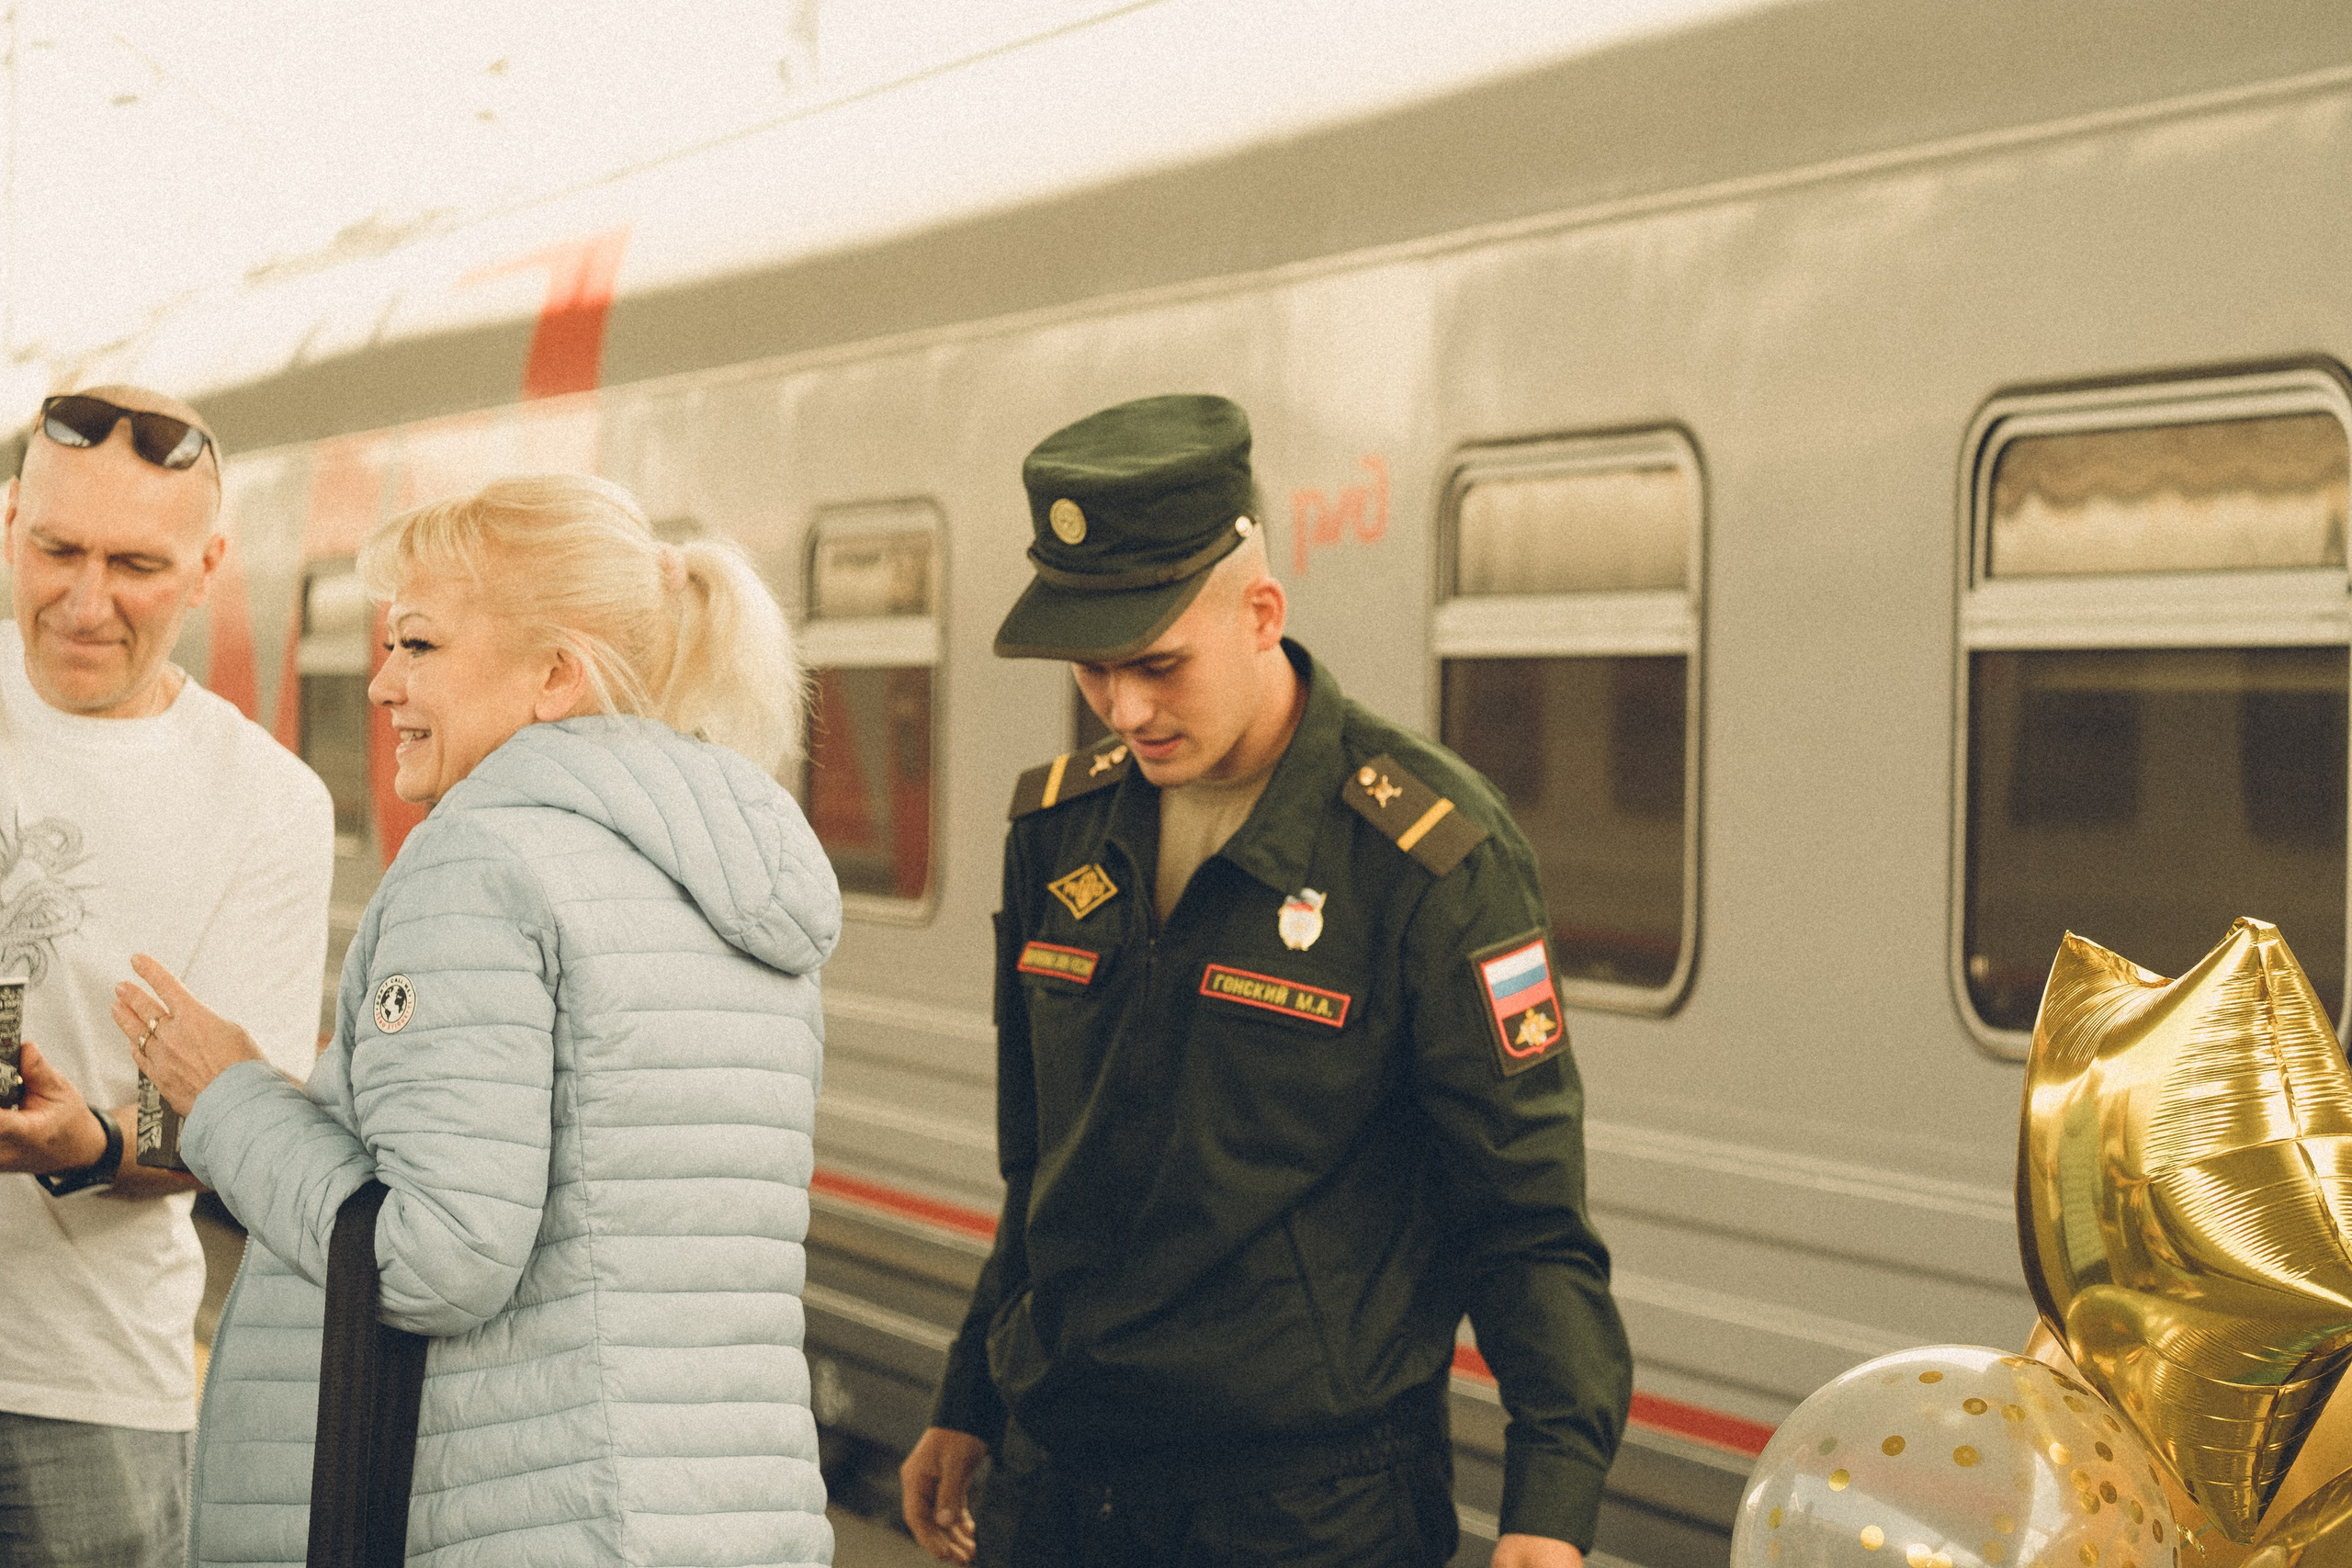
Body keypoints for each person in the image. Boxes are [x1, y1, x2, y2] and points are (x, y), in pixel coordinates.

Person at [900, 394, 1633, 1568]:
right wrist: (968, 1393)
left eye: (1157, 666)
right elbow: (1045, 1167)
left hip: (1303, 1511)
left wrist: (1551, 1512)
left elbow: (1525, 1218)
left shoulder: (1428, 858)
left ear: (1261, 613)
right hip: (1060, 1483)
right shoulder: (1060, 830)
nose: (1125, 710)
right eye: (1094, 671)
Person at [119, 474, 842, 1566]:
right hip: (733, 1521)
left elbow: (434, 1259)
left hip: (526, 1528)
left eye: (418, 646)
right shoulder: (738, 874)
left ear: (555, 674)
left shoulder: (481, 866)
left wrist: (224, 1095)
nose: (378, 683)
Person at [0, 387, 334, 1566]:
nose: (86, 603)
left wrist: (84, 1139)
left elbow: (219, 1124)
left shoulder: (267, 806)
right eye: (57, 550)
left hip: (79, 1391)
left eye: (136, 564)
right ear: (8, 526)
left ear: (207, 569)